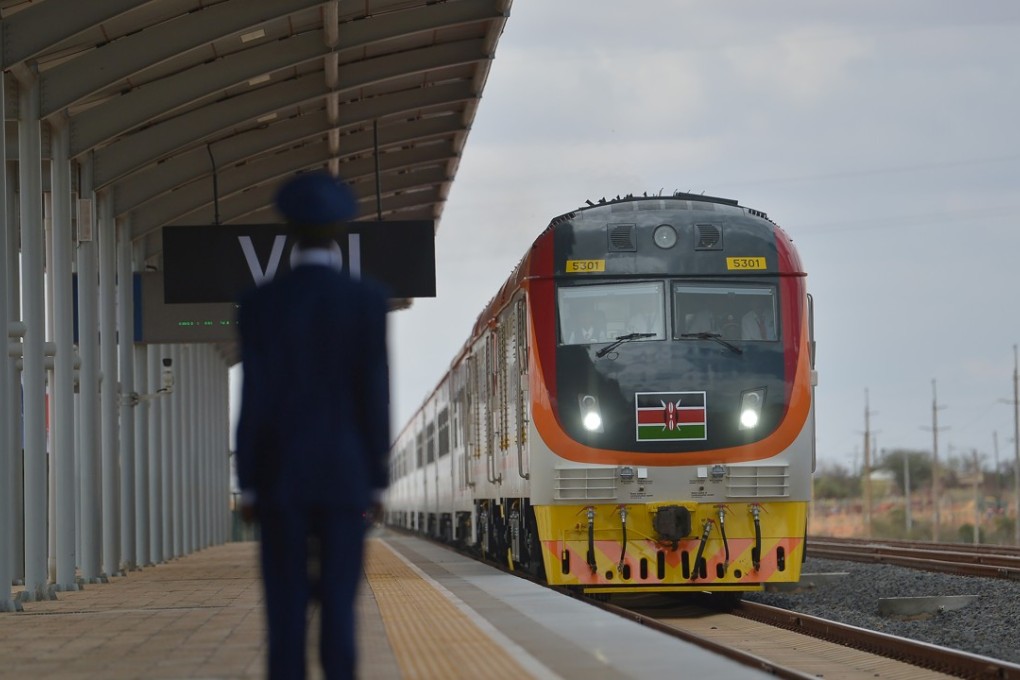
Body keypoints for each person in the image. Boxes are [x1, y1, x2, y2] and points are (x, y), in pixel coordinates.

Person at [235, 170, 391, 680]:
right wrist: (376, 478)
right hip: (345, 478)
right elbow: (373, 393)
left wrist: (250, 483)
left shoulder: (260, 304)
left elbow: (254, 395)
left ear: (288, 229)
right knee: (341, 609)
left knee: (283, 611)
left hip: (281, 478)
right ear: (341, 230)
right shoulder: (366, 299)